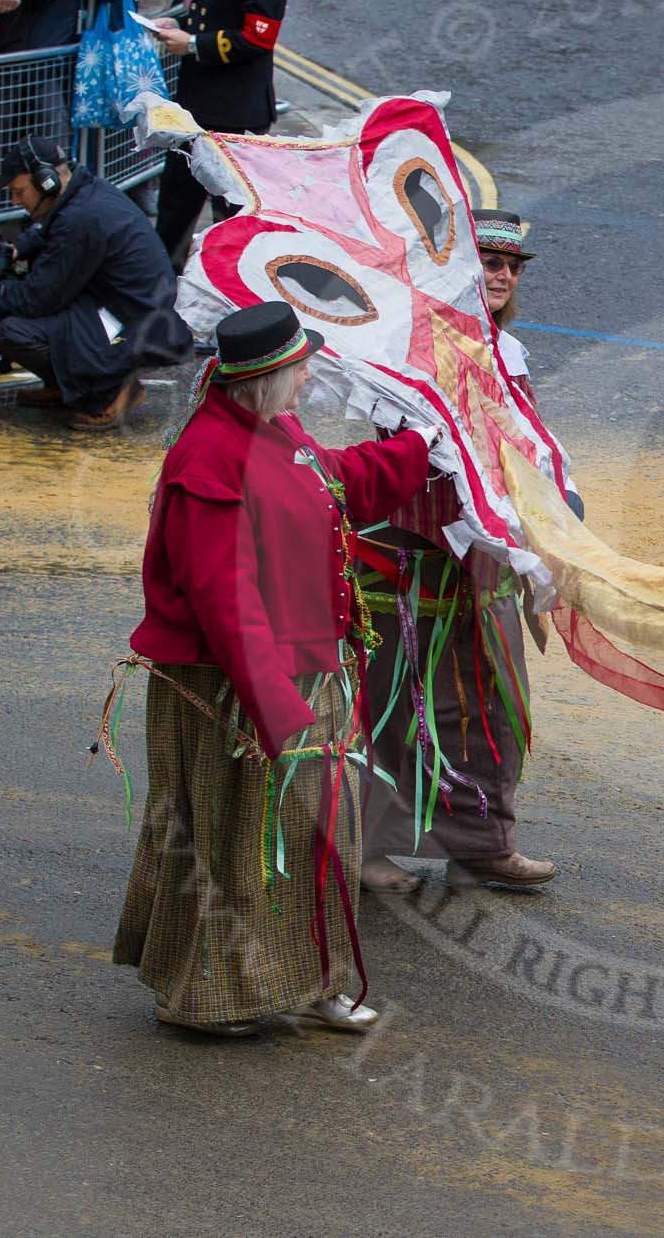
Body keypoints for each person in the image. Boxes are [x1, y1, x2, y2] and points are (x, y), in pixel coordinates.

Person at [115, 301, 442, 1036]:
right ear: (263, 379)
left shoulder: (274, 428)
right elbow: (224, 598)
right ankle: (204, 997)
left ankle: (314, 978)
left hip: (304, 671)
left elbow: (333, 480)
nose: (307, 381)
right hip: (233, 684)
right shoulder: (208, 460)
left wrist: (415, 448)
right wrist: (274, 707)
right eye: (299, 370)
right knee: (231, 839)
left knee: (318, 835)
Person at [358, 210, 558, 895]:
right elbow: (402, 448)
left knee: (487, 701)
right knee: (396, 701)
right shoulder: (404, 345)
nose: (502, 276)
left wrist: (542, 527)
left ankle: (481, 845)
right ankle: (367, 847)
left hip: (486, 557)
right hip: (412, 554)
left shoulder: (509, 353)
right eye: (489, 264)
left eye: (512, 267)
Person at [0, 135, 193, 429]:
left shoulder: (80, 218)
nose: (15, 201)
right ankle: (66, 387)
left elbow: (37, 299)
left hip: (132, 327)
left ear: (46, 182)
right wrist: (23, 246)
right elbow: (51, 233)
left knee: (12, 330)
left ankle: (108, 392)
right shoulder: (87, 193)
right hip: (133, 313)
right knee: (28, 311)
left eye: (18, 192)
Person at [151, 0, 285, 259]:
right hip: (199, 107)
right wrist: (182, 26)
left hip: (233, 112)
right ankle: (162, 286)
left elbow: (258, 38)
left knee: (230, 219)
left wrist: (193, 44)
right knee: (175, 208)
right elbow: (213, 12)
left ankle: (223, 292)